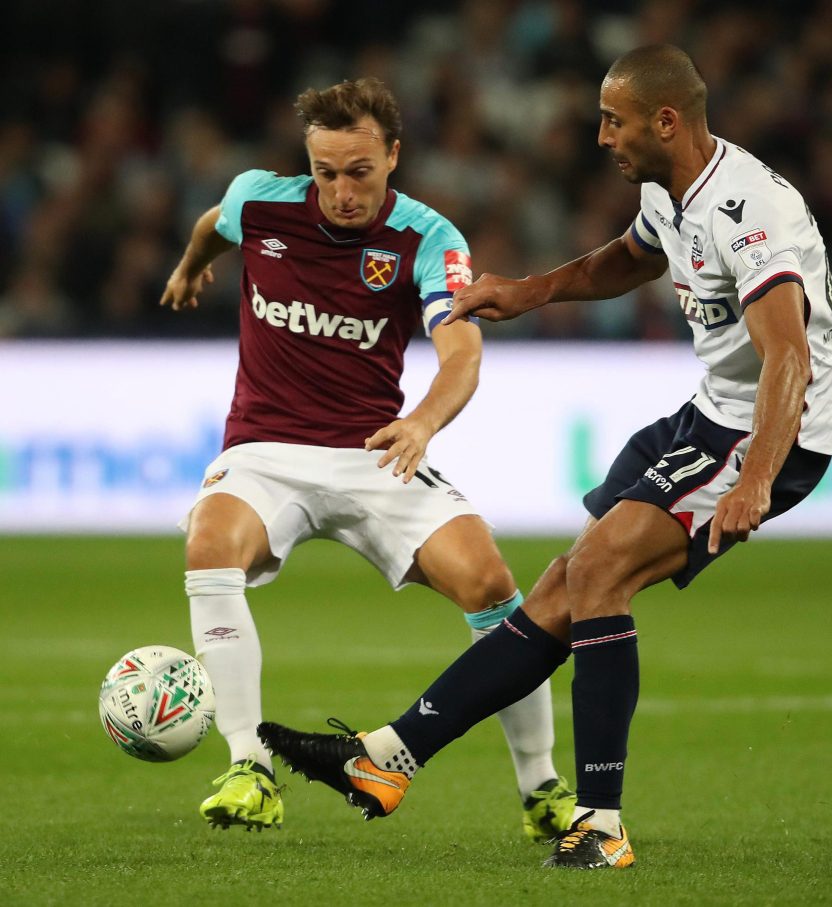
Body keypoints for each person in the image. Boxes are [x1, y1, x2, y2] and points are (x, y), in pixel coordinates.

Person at [257, 45, 832, 870]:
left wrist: (754, 479)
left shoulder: (749, 212)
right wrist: (531, 291)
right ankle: (386, 757)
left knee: (599, 571)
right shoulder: (667, 188)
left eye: (615, 119)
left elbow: (789, 357)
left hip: (773, 433)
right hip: (712, 414)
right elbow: (633, 257)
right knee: (564, 585)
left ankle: (600, 823)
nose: (601, 134)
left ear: (665, 120)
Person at [159, 77, 574, 839]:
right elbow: (216, 223)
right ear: (306, 162)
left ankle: (542, 788)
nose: (342, 191)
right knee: (209, 545)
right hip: (265, 448)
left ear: (393, 155)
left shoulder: (428, 237)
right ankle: (250, 765)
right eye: (325, 172)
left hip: (375, 445)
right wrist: (190, 265)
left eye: (359, 172)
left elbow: (462, 356)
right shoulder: (263, 199)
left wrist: (420, 423)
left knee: (491, 582)